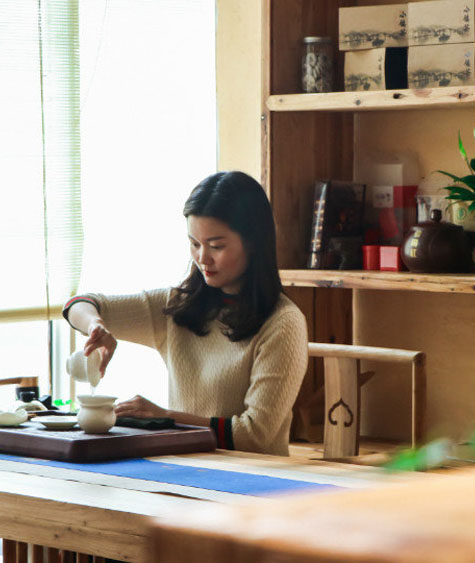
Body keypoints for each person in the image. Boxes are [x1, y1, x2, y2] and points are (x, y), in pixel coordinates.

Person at [62, 171, 308, 455]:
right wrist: (96, 325)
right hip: (185, 470)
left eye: (216, 246)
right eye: (194, 244)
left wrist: (166, 418)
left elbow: (254, 435)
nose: (203, 258)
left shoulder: (284, 323)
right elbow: (77, 304)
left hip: (255, 482)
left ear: (253, 242)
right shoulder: (177, 306)